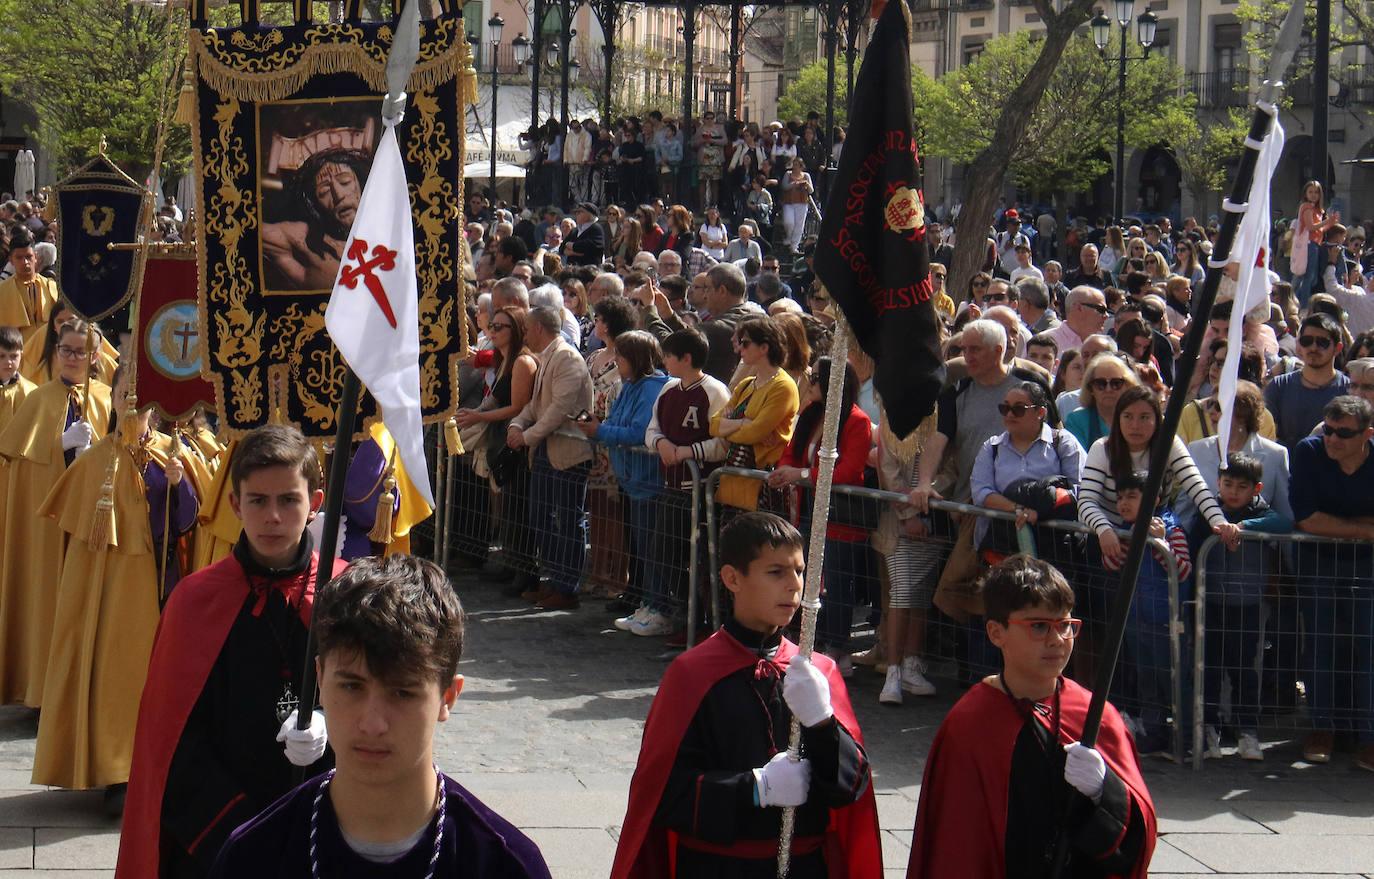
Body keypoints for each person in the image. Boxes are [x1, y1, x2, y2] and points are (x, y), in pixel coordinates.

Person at [209, 555, 551, 878]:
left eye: (402, 692)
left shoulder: (505, 866)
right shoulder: (253, 857)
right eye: (352, 687)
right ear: (320, 682)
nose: (372, 724)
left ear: (447, 697)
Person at [115, 424, 340, 878]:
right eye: (258, 501)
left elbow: (378, 709)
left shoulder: (344, 592)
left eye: (288, 500)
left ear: (315, 504)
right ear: (236, 505)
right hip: (221, 835)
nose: (272, 517)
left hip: (321, 826)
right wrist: (243, 837)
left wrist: (332, 721)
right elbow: (172, 741)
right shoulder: (196, 601)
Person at [610, 512, 880, 879]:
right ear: (733, 578)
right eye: (776, 572)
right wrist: (755, 788)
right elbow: (665, 796)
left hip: (803, 866)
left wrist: (823, 725)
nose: (793, 585)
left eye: (800, 571)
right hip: (719, 868)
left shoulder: (817, 673)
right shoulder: (692, 674)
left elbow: (852, 788)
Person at [907, 555, 1157, 878]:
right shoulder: (969, 725)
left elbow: (1139, 834)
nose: (1057, 640)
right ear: (997, 633)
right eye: (1039, 626)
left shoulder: (1097, 717)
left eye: (1065, 625)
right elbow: (952, 847)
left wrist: (1104, 790)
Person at [31, 365, 204, 810]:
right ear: (112, 396)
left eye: (140, 393)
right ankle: (114, 772)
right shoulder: (94, 460)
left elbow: (183, 525)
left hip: (157, 583)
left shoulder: (173, 453)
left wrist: (176, 486)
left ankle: (152, 769)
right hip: (109, 592)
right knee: (113, 673)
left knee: (156, 674)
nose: (132, 401)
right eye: (124, 391)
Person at [0, 317, 112, 707]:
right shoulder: (38, 399)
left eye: (80, 352)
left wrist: (97, 451)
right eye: (65, 350)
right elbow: (22, 469)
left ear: (94, 356)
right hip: (48, 525)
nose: (71, 358)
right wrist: (58, 447)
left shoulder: (106, 398)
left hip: (89, 519)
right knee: (47, 599)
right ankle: (42, 691)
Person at [767, 358, 873, 673]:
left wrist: (798, 473)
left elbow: (848, 471)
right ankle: (805, 640)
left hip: (839, 517)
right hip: (805, 510)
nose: (809, 381)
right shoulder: (810, 414)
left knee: (837, 584)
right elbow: (791, 451)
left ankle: (836, 646)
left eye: (814, 377)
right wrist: (785, 471)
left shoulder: (857, 420)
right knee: (802, 577)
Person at [1289, 395, 1374, 770]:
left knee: (1368, 647)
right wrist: (1363, 529)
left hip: (1368, 566)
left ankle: (1368, 736)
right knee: (1320, 643)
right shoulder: (1308, 452)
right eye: (1328, 430)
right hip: (1319, 563)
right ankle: (1321, 727)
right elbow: (1306, 518)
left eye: (1344, 433)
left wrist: (1338, 527)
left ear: (1366, 434)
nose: (1333, 439)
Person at [630, 329, 731, 635]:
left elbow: (723, 443)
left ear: (686, 358)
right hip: (670, 487)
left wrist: (687, 451)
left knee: (698, 559)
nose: (664, 360)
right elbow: (652, 428)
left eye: (669, 355)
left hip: (701, 491)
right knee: (665, 553)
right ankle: (681, 617)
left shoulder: (714, 391)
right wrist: (660, 444)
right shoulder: (669, 389)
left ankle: (701, 624)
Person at [1197, 452, 1292, 762]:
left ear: (1256, 488)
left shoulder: (1263, 513)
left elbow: (1283, 521)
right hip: (1210, 603)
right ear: (1218, 484)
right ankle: (1209, 729)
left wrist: (1243, 526)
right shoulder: (1208, 511)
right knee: (1208, 668)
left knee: (1245, 669)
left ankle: (1247, 730)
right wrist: (1220, 524)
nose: (1233, 492)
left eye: (1241, 486)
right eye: (1228, 484)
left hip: (1248, 605)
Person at [577, 331, 670, 623]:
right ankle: (644, 602)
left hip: (646, 480)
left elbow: (638, 432)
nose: (615, 360)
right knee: (638, 546)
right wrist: (598, 425)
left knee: (651, 549)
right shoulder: (630, 385)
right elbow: (618, 421)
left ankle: (656, 607)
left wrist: (601, 431)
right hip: (629, 478)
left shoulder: (652, 388)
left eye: (621, 356)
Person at [506, 306, 595, 611]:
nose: (525, 334)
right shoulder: (548, 357)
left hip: (568, 454)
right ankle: (555, 579)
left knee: (567, 521)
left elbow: (559, 409)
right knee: (541, 517)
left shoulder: (567, 358)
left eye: (528, 328)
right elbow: (535, 405)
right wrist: (518, 424)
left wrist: (527, 436)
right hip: (546, 451)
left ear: (540, 329)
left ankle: (567, 587)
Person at [1103, 469, 1191, 756]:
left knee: (1174, 680)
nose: (1123, 503)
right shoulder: (1125, 530)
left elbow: (1182, 569)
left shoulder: (1171, 529)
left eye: (1131, 496)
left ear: (1153, 499)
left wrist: (1159, 544)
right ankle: (1154, 733)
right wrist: (1116, 548)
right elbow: (1114, 566)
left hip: (1165, 620)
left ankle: (1187, 735)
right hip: (1135, 618)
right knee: (1147, 679)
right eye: (1119, 498)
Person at [710, 317, 799, 511]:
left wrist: (732, 424)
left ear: (764, 347)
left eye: (745, 343)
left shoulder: (784, 386)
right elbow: (714, 425)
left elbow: (755, 433)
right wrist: (743, 423)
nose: (739, 348)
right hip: (733, 482)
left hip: (762, 485)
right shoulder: (746, 384)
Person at [1264, 313, 1350, 451]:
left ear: (1337, 348)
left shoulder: (1349, 391)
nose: (1313, 347)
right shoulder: (1279, 386)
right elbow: (1267, 437)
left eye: (1322, 342)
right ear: (1298, 345)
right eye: (1307, 341)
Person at [1063, 352, 1138, 459]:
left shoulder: (1141, 417)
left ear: (1128, 385)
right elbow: (1078, 463)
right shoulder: (1077, 420)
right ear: (1091, 388)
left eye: (1116, 383)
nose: (1108, 389)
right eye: (1100, 384)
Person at [0, 228, 59, 342]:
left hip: (47, 349)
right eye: (19, 258)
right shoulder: (2, 291)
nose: (25, 262)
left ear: (35, 257)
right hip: (16, 352)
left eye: (28, 257)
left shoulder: (51, 286)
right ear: (11, 260)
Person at [1046, 285, 1110, 355]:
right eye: (1101, 310)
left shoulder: (1104, 345)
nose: (1107, 316)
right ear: (1079, 307)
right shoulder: (1047, 342)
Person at [780, 157, 814, 254]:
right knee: (789, 222)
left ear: (801, 166)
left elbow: (811, 190)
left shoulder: (806, 176)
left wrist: (806, 184)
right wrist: (793, 184)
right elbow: (784, 186)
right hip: (789, 202)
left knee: (799, 225)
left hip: (802, 202)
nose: (795, 167)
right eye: (794, 165)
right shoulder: (788, 174)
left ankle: (794, 246)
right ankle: (789, 237)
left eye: (797, 165)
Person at [561, 202, 606, 267]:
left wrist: (572, 246)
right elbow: (562, 248)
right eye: (576, 212)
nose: (577, 214)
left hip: (588, 270)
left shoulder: (596, 228)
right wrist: (574, 252)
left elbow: (593, 246)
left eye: (580, 212)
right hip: (572, 269)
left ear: (590, 214)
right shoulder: (575, 230)